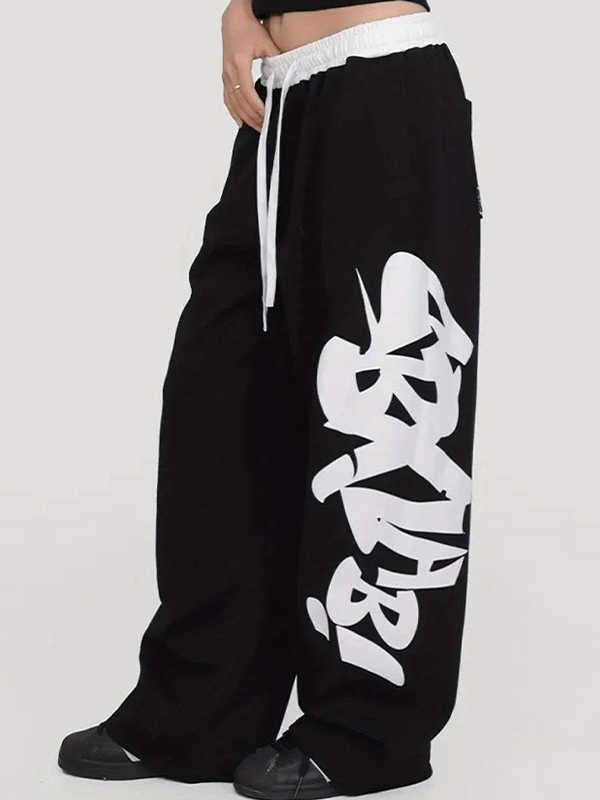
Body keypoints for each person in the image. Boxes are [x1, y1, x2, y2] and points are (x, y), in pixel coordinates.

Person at [58, 1, 482, 797]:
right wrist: (242, 8)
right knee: (221, 402)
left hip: (384, 80)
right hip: (283, 104)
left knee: (383, 415)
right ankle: (200, 712)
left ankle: (366, 729)